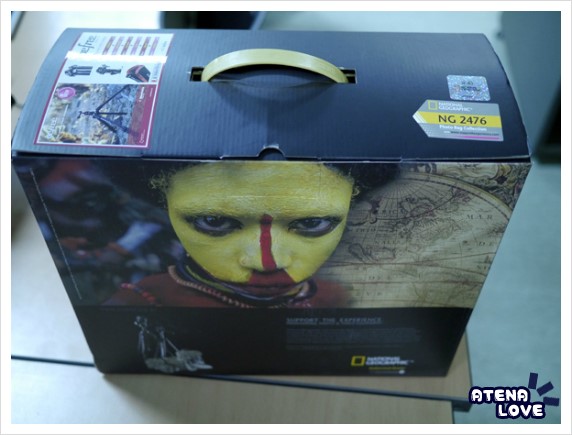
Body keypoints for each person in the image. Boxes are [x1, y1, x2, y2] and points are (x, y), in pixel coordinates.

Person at [105, 161, 356, 308]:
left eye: (312, 223)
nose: (266, 263)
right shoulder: (141, 303)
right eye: (214, 221)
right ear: (166, 209)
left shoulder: (333, 298)